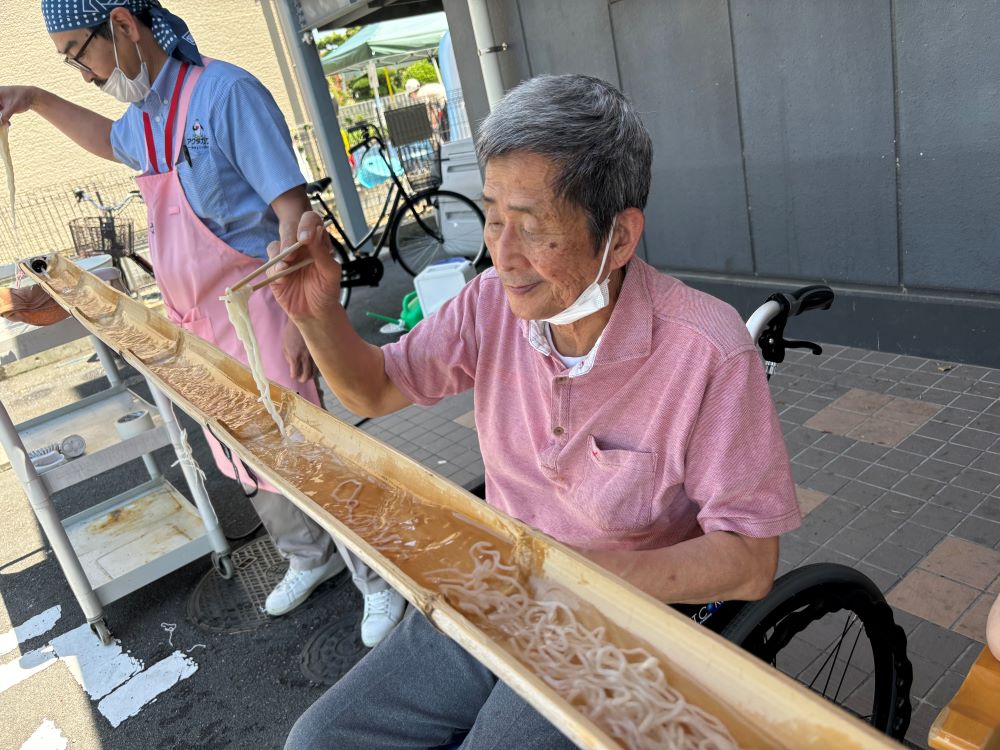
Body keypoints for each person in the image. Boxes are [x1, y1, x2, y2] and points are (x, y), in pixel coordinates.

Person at [271, 74, 801, 748]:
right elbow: (374, 390)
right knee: (320, 739)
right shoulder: (490, 303)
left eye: (532, 226)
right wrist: (318, 314)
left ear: (620, 237)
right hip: (499, 588)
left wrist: (576, 579)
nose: (503, 252)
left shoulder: (706, 350)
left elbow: (751, 561)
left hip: (621, 619)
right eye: (493, 215)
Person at [0, 0, 405, 645]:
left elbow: (292, 213)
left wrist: (307, 325)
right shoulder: (143, 118)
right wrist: (33, 97)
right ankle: (310, 558)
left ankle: (377, 580)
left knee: (308, 457)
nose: (82, 72)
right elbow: (108, 140)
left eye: (79, 52)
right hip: (197, 328)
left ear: (124, 26)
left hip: (265, 316)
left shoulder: (225, 94)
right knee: (243, 459)